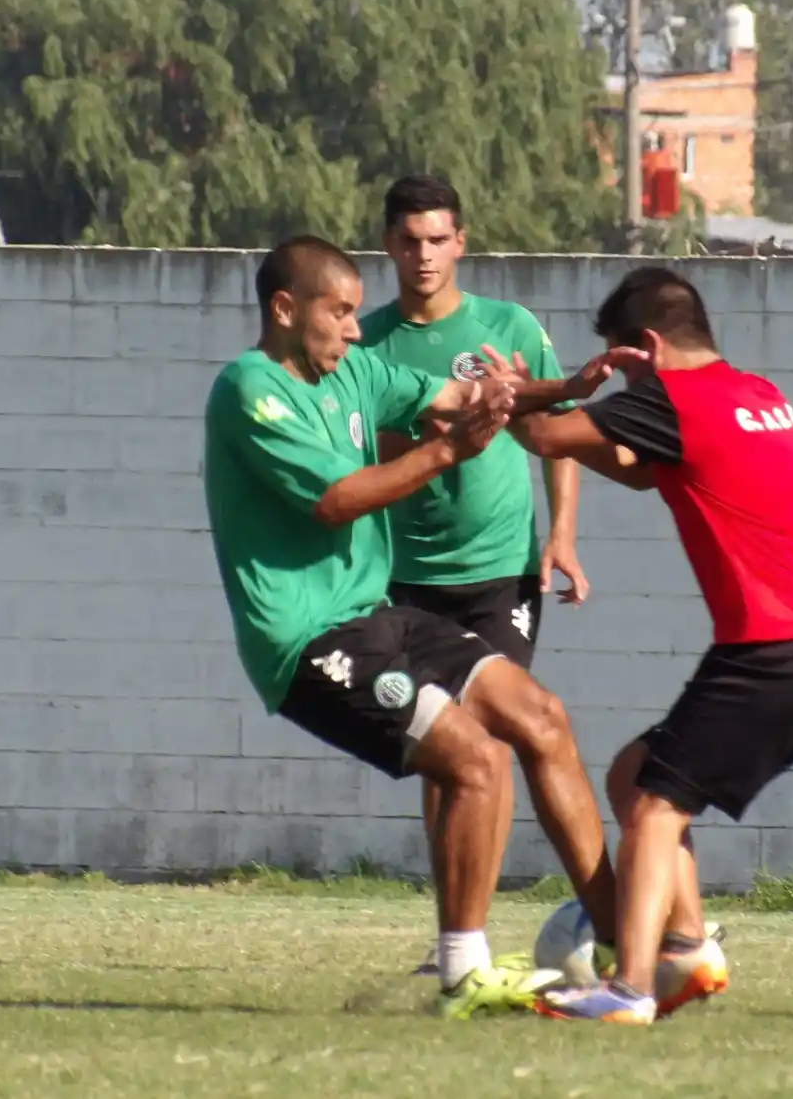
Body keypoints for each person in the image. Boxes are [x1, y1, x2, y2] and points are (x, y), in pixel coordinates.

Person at [201, 235, 627, 1019]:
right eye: (342, 313)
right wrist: (445, 454)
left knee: (541, 717)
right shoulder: (249, 390)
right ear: (286, 310)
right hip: (307, 641)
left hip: (378, 616)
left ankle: (626, 941)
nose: (358, 330)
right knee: (473, 759)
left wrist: (561, 387)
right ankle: (464, 969)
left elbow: (458, 399)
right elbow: (335, 499)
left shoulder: (357, 371)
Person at [495, 267, 793, 1026]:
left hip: (770, 652)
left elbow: (541, 434)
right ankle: (688, 948)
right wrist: (613, 405)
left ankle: (629, 986)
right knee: (637, 777)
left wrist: (551, 387)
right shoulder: (757, 394)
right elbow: (637, 473)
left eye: (620, 355)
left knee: (656, 807)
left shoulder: (669, 398)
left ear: (647, 346)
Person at [355, 175, 590, 973]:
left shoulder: (506, 325)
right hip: (405, 575)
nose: (423, 254)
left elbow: (551, 434)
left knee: (494, 731)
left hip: (498, 574)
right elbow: (357, 454)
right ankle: (457, 932)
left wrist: (561, 535)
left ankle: (478, 936)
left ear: (461, 241)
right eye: (408, 239)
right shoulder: (366, 343)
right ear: (388, 243)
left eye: (437, 239)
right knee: (447, 748)